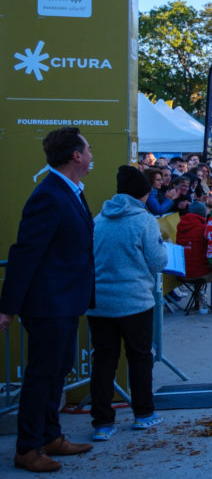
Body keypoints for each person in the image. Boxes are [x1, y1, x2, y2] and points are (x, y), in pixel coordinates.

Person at [0, 127, 95, 472]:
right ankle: (27, 448)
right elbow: (25, 253)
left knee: (58, 372)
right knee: (42, 377)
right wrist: (7, 307)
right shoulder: (49, 195)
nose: (91, 154)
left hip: (66, 301)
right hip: (48, 303)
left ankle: (51, 436)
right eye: (88, 149)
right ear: (75, 156)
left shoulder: (70, 191)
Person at [87, 166, 168, 442]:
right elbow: (158, 262)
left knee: (103, 360)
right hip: (135, 302)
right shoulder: (144, 221)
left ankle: (101, 423)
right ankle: (144, 414)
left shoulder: (99, 219)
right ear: (143, 195)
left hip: (99, 303)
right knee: (140, 358)